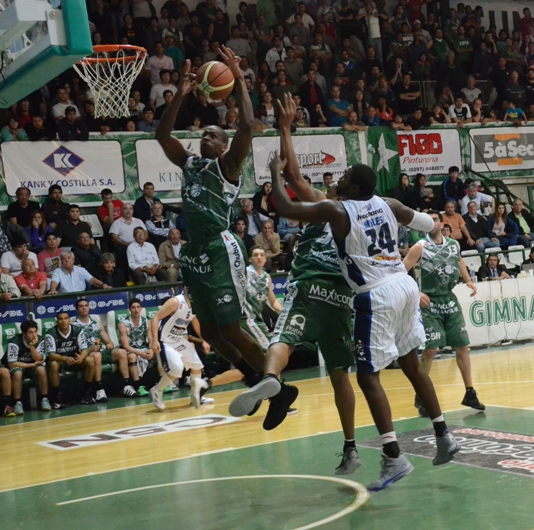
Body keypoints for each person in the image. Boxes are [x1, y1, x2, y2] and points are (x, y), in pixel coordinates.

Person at [235, 142, 458, 491]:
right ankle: (443, 435)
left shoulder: (338, 212)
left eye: (345, 176)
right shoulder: (389, 203)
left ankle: (394, 456)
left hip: (376, 293)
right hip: (404, 284)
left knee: (368, 378)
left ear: (353, 188)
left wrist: (276, 174)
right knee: (412, 366)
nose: (338, 178)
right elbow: (431, 224)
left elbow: (286, 204)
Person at [229, 95, 361, 476]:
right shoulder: (366, 216)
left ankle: (271, 381)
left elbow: (295, 179)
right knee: (340, 375)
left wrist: (285, 129)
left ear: (344, 191)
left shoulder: (326, 205)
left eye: (341, 180)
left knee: (280, 342)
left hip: (309, 287)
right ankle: (351, 447)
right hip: (341, 298)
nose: (335, 180)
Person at [154, 47, 265, 384]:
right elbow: (162, 135)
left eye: (214, 135)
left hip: (220, 247)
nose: (206, 136)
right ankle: (253, 378)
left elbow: (247, 124)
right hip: (195, 251)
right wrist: (181, 96)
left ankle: (274, 379)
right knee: (212, 333)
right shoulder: (190, 163)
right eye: (204, 133)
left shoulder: (227, 166)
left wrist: (239, 76)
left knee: (231, 328)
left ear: (223, 146)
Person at [403, 211, 483, 414]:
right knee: (430, 350)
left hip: (449, 299)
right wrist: (417, 292)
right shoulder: (419, 247)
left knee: (462, 346)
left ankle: (470, 392)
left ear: (442, 223)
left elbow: (459, 261)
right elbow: (400, 272)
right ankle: (421, 394)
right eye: (427, 220)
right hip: (429, 303)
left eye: (435, 219)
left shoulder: (453, 244)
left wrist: (467, 280)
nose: (431, 222)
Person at [147, 291, 216, 410]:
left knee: (197, 365)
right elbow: (155, 318)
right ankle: (157, 391)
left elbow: (195, 322)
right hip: (165, 340)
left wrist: (203, 340)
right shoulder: (175, 302)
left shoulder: (194, 303)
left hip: (179, 340)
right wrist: (154, 340)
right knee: (176, 369)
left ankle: (196, 397)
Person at [72, 297, 114, 403]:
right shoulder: (74, 325)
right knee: (96, 355)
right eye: (81, 306)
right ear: (77, 310)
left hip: (101, 350)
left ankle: (128, 386)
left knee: (122, 353)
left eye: (86, 306)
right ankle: (99, 389)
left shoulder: (96, 322)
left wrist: (109, 343)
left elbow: (104, 335)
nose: (84, 308)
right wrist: (89, 350)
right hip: (86, 353)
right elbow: (75, 345)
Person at [6, 320, 52, 414]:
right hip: (19, 367)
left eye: (35, 331)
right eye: (31, 332)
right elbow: (12, 363)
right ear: (24, 333)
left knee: (41, 370)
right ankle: (17, 403)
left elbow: (39, 359)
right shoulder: (14, 342)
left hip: (32, 366)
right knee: (18, 373)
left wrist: (32, 347)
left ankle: (44, 399)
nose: (34, 335)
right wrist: (30, 365)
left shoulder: (40, 339)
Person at [111, 298, 153, 397]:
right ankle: (138, 385)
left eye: (138, 307)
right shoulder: (123, 324)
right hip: (130, 350)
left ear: (141, 308)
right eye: (133, 307)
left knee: (158, 351)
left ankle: (165, 383)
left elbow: (151, 340)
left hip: (144, 348)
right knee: (133, 356)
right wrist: (140, 353)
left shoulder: (147, 322)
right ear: (129, 309)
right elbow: (125, 346)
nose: (136, 310)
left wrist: (151, 350)